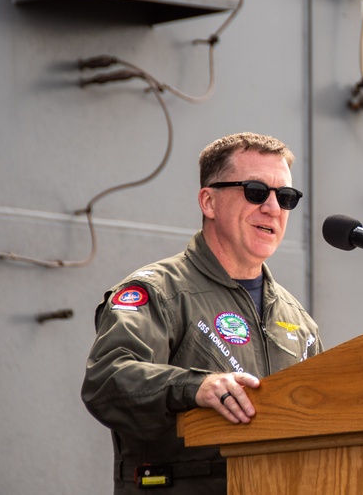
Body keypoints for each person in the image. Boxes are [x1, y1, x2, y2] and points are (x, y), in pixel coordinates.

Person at [81, 132, 322, 494]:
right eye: (256, 191)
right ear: (209, 201)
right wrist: (197, 387)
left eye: (285, 198)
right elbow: (107, 379)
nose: (273, 208)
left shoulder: (299, 321)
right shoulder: (159, 291)